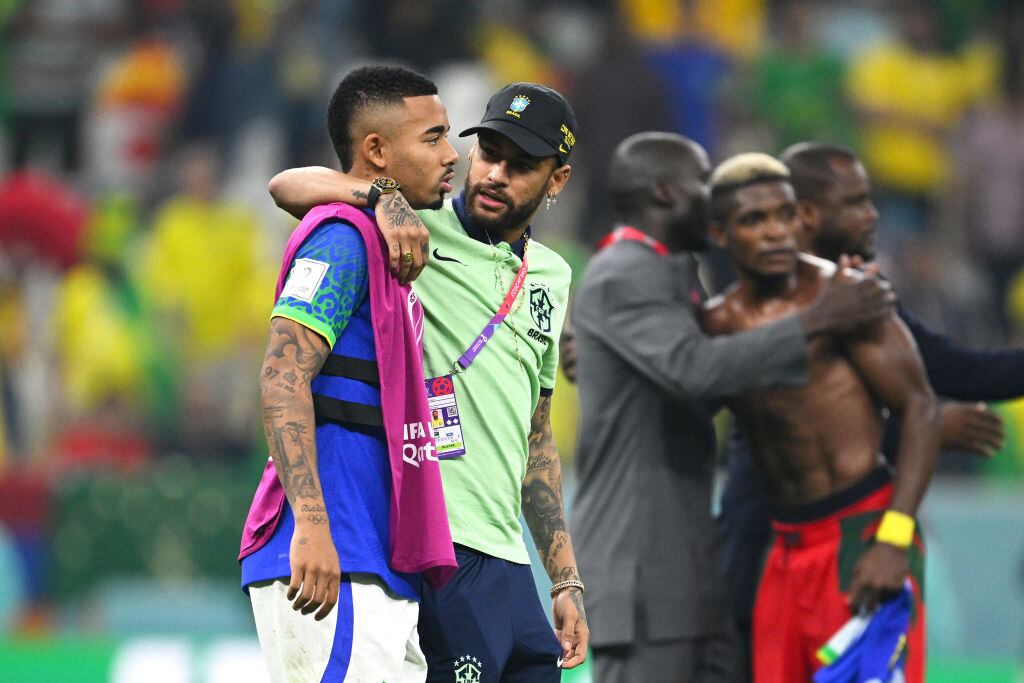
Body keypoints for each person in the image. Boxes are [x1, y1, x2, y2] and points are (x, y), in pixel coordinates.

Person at [267, 81, 589, 681]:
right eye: (488, 152)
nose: (495, 174)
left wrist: (564, 578)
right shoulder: (417, 221)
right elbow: (287, 184)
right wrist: (384, 197)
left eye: (521, 166)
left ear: (557, 181)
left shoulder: (553, 275)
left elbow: (536, 437)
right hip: (434, 548)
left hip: (511, 560)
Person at [568, 132, 896, 683]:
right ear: (667, 193)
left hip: (688, 566)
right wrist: (818, 319)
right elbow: (696, 369)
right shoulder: (626, 271)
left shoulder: (667, 270)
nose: (715, 198)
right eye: (705, 182)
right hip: (643, 567)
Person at [718, 142, 1024, 680]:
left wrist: (898, 517)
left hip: (853, 531)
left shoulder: (860, 297)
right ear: (809, 214)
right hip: (765, 545)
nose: (873, 214)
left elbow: (943, 383)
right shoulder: (736, 312)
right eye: (857, 202)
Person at [237, 65, 459, 682]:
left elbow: (286, 183)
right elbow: (282, 377)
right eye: (434, 138)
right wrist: (312, 524)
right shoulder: (342, 240)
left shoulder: (397, 239)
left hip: (374, 553)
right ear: (378, 151)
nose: (453, 155)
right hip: (330, 556)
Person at [703, 153, 940, 682]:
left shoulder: (849, 296)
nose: (776, 233)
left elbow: (920, 407)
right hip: (785, 546)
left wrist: (894, 538)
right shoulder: (718, 323)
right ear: (721, 234)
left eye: (785, 215)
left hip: (865, 532)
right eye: (754, 220)